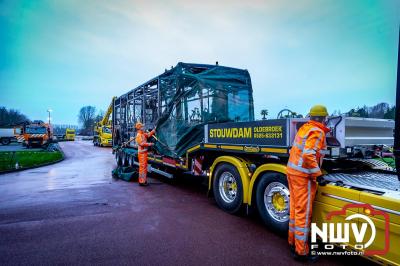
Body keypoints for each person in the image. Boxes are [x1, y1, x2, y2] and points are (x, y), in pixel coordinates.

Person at [286, 105, 330, 261]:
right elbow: (308, 155)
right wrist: (318, 175)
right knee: (303, 215)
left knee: (295, 210)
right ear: (323, 118)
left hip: (293, 173)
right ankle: (301, 251)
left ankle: (292, 242)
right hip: (303, 177)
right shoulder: (318, 132)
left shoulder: (305, 128)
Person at [135, 122, 156, 186]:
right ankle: (142, 182)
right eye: (142, 127)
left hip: (144, 153)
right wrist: (150, 144)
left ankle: (143, 180)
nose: (143, 128)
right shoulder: (139, 135)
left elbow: (149, 135)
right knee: (142, 168)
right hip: (141, 154)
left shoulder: (143, 134)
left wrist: (154, 130)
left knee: (144, 167)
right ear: (139, 128)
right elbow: (141, 144)